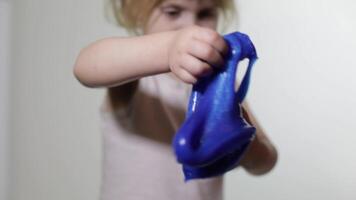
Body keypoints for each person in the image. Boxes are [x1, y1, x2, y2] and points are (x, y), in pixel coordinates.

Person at [73, 0, 278, 199]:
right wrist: (170, 46)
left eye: (205, 13)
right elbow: (85, 66)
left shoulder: (224, 84)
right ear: (137, 14)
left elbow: (267, 161)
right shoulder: (136, 77)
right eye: (173, 12)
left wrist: (245, 144)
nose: (191, 26)